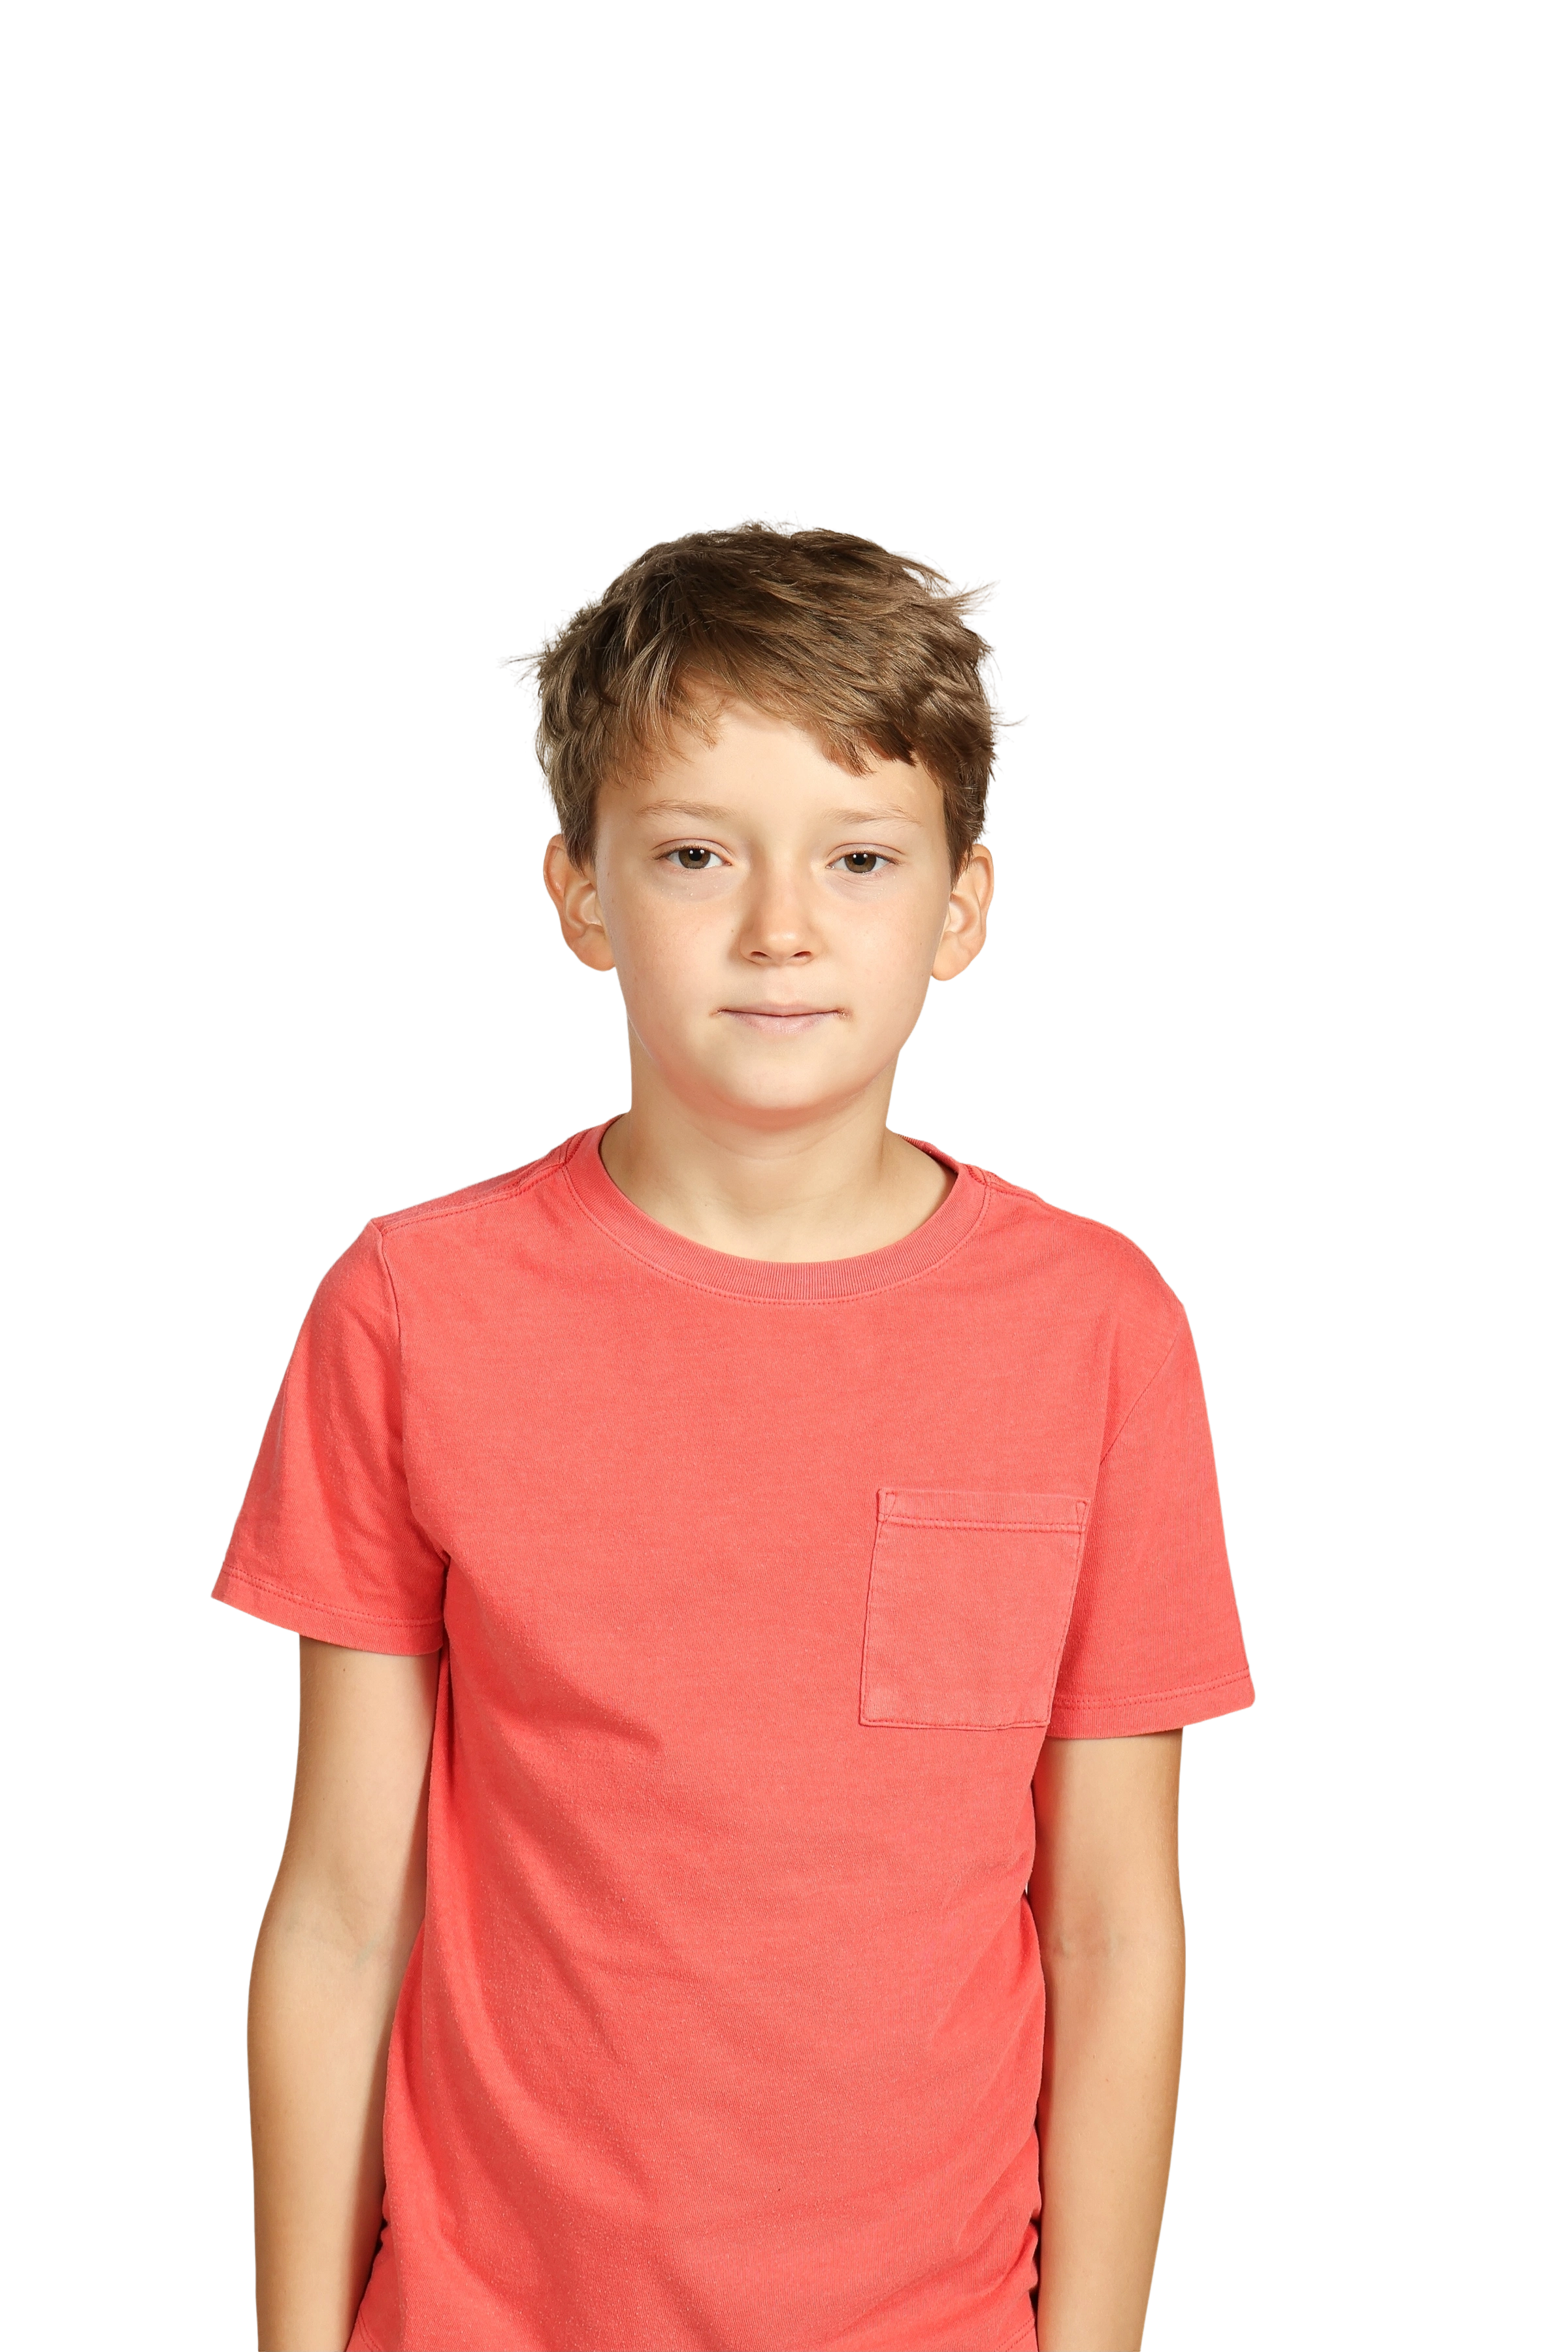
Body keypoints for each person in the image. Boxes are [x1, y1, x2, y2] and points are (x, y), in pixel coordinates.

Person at [211, 510, 1257, 2352]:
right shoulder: (411, 1307)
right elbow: (341, 1911)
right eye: (697, 854)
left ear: (963, 903)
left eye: (859, 857)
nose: (781, 929)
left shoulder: (1096, 1329)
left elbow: (1112, 1926)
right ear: (580, 895)